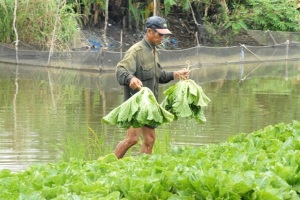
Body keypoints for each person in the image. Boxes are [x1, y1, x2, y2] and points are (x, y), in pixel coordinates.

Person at [114, 16, 190, 159]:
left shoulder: (154, 51)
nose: (162, 37)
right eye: (160, 34)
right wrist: (131, 78)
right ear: (149, 31)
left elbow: (159, 76)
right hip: (136, 104)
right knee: (132, 139)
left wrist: (175, 74)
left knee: (150, 140)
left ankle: (141, 169)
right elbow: (120, 70)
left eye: (163, 35)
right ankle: (106, 165)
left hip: (150, 105)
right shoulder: (136, 51)